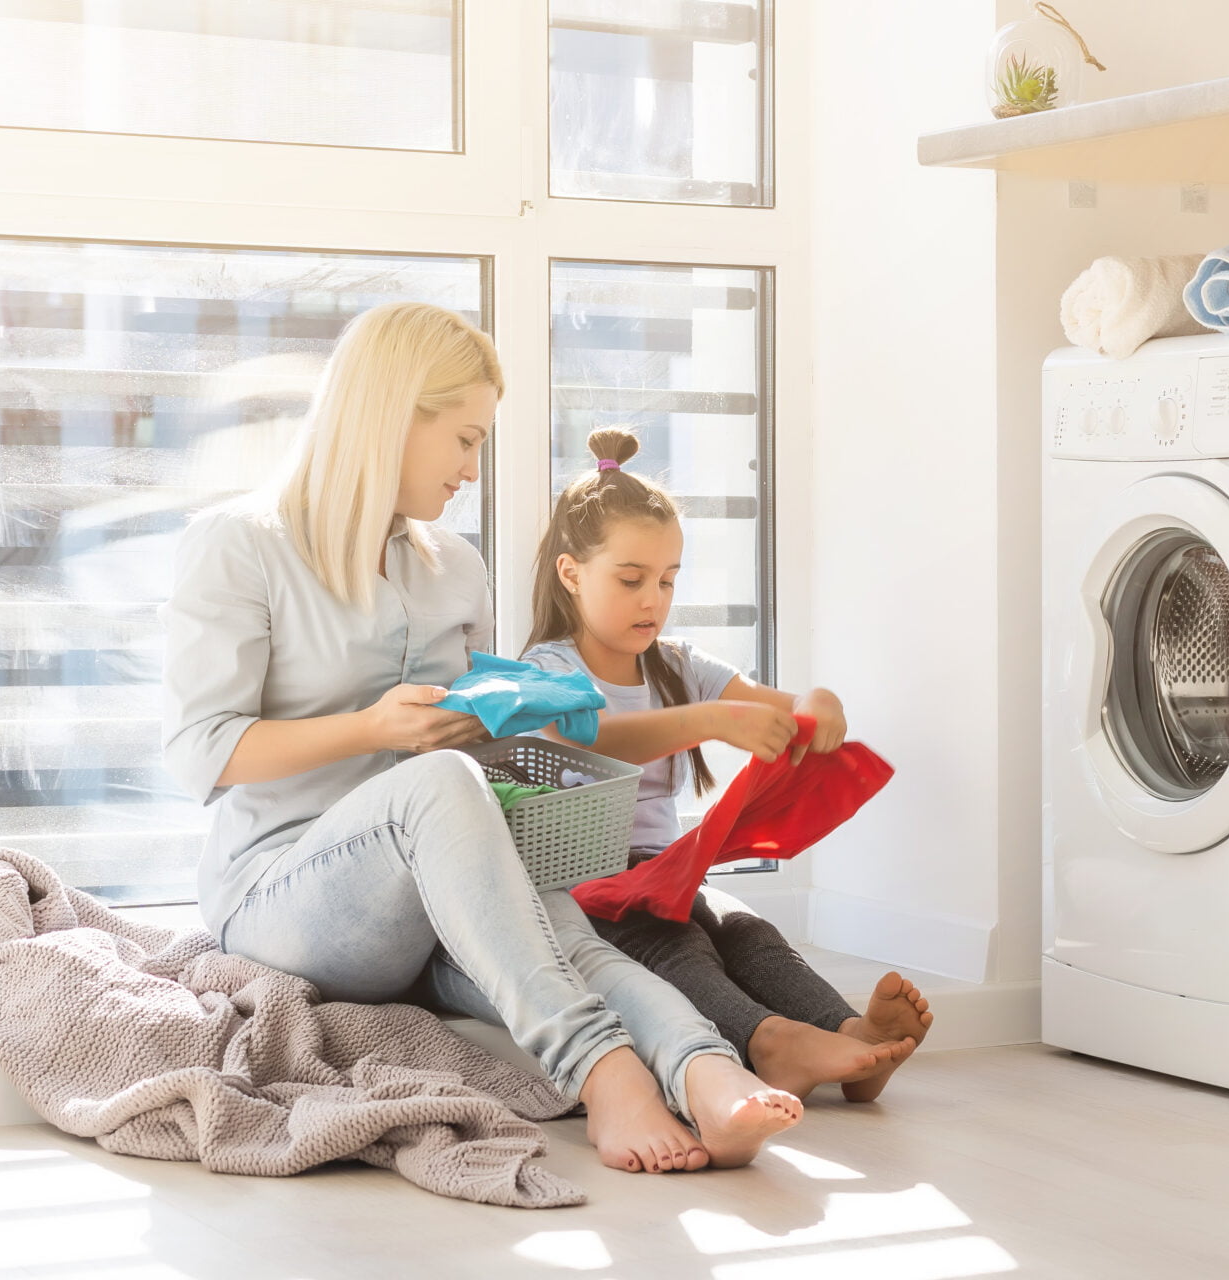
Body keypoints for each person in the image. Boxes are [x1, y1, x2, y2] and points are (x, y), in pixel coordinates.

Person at [160, 302, 798, 1174]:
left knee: (562, 927)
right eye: (463, 439)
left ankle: (709, 1074)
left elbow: (483, 733)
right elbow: (204, 752)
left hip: (434, 883)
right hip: (282, 893)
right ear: (393, 418)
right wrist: (377, 727)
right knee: (442, 785)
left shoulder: (452, 566)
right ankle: (606, 1076)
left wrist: (524, 705)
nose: (472, 466)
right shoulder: (240, 547)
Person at [520, 428, 933, 1102]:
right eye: (631, 580)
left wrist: (819, 703)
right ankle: (770, 1043)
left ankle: (852, 1033)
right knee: (678, 945)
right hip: (582, 892)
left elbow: (788, 707)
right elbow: (592, 736)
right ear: (571, 574)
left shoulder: (679, 664)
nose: (653, 599)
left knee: (747, 932)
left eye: (667, 580)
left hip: (662, 874)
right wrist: (709, 720)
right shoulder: (547, 671)